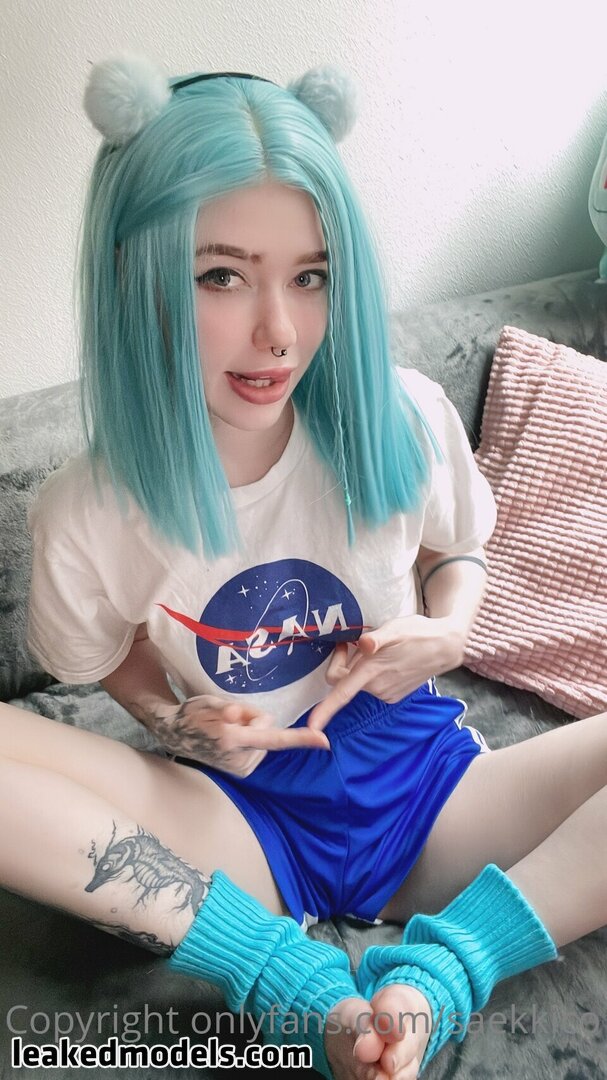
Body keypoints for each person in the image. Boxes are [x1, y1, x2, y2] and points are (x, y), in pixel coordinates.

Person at [2, 53, 606, 1080]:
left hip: (433, 795)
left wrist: (449, 627)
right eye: (221, 276)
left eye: (310, 276)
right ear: (136, 277)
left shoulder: (402, 414)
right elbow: (105, 660)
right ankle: (286, 979)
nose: (279, 332)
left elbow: (455, 549)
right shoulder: (86, 510)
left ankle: (445, 974)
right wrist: (173, 722)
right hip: (235, 818)